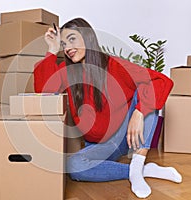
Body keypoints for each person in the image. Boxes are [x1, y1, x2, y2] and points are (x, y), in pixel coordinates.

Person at [34, 18, 182, 198]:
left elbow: (161, 81)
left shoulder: (113, 65)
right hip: (100, 146)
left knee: (148, 89)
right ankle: (140, 171)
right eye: (64, 44)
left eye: (72, 39)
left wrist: (139, 112)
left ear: (87, 38)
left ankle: (138, 163)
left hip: (126, 137)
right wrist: (51, 49)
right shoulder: (67, 72)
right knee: (73, 166)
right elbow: (43, 91)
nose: (67, 48)